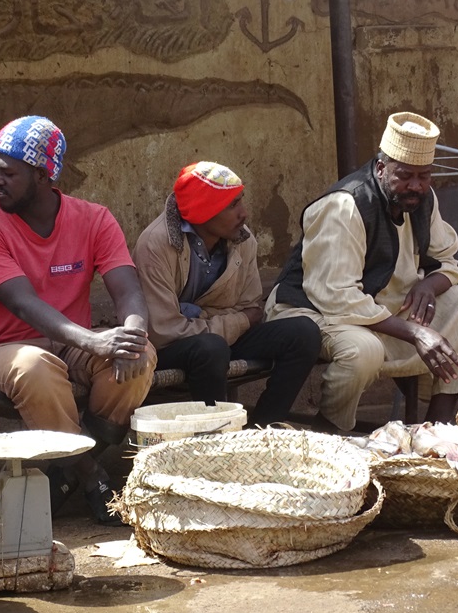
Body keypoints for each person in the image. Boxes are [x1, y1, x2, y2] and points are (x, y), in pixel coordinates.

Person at [0, 115, 155, 525]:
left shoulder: (94, 218)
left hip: (70, 346)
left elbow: (128, 290)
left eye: (9, 173)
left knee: (141, 356)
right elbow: (23, 304)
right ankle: (89, 473)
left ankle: (66, 470)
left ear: (43, 175)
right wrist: (95, 342)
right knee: (37, 366)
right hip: (1, 353)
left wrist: (133, 334)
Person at [267, 111, 458, 429]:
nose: (415, 186)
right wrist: (416, 332)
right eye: (405, 176)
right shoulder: (346, 206)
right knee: (364, 350)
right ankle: (332, 432)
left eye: (423, 177)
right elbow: (338, 297)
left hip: (382, 312)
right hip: (313, 311)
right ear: (382, 167)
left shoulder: (423, 200)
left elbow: (447, 262)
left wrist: (429, 285)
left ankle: (438, 429)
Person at [133, 162, 321, 426]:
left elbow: (252, 307)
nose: (244, 214)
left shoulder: (243, 240)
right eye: (232, 206)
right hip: (173, 349)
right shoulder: (155, 245)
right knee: (211, 347)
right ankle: (218, 438)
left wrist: (204, 317)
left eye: (240, 201)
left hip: (222, 339)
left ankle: (264, 429)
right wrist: (235, 320)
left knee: (304, 333)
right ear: (202, 212)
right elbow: (164, 330)